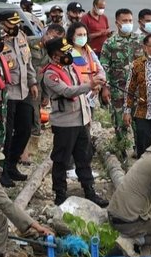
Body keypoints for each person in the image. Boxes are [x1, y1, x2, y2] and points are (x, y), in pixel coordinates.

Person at [41, 37, 109, 207]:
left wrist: (93, 86)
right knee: (61, 160)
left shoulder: (70, 67)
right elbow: (67, 91)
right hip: (65, 123)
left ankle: (90, 191)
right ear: (55, 55)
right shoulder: (50, 73)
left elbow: (82, 84)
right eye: (64, 51)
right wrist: (89, 85)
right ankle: (60, 194)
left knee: (84, 158)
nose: (68, 54)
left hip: (82, 119)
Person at [108, 131, 151, 254]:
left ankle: (137, 243)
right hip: (129, 222)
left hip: (114, 217)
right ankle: (134, 241)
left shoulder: (146, 157)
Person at [0, 10, 39, 188]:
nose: (15, 27)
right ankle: (3, 170)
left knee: (25, 129)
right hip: (8, 93)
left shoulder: (21, 36)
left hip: (23, 91)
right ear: (2, 24)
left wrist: (33, 82)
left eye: (16, 23)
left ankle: (12, 163)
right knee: (7, 134)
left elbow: (28, 62)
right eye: (11, 24)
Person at [100, 8, 144, 156]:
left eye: (130, 21)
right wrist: (104, 88)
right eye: (124, 21)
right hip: (118, 90)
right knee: (120, 123)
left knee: (140, 122)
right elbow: (104, 67)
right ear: (117, 23)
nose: (128, 23)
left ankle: (140, 150)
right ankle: (122, 151)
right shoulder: (110, 43)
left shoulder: (140, 40)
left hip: (138, 90)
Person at [23, 24, 66, 163]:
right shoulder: (29, 42)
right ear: (46, 33)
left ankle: (30, 150)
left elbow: (47, 72)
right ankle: (22, 151)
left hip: (38, 88)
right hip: (23, 87)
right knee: (24, 119)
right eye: (51, 35)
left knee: (36, 118)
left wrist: (46, 95)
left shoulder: (53, 51)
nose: (52, 39)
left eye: (56, 38)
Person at [67, 21, 106, 110]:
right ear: (72, 37)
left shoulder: (89, 51)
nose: (83, 37)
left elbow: (100, 70)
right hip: (76, 95)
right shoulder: (67, 54)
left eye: (85, 34)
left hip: (91, 94)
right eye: (79, 35)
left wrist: (98, 84)